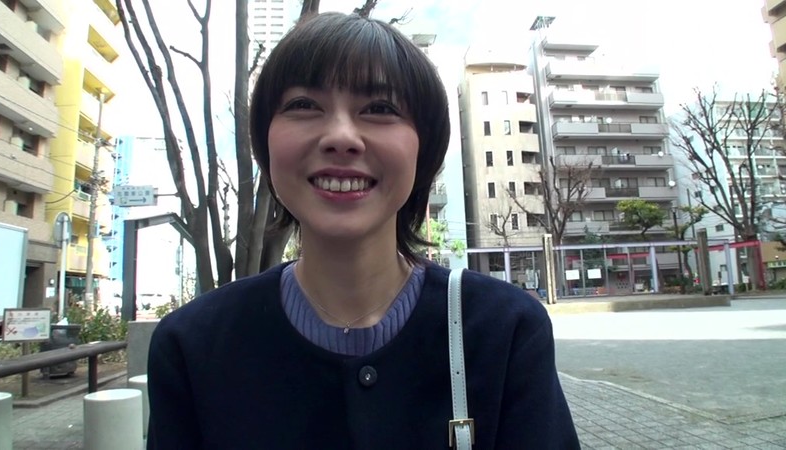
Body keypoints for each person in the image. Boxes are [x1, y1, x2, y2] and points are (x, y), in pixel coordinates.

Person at [146, 12, 579, 449]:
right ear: (266, 142)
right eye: (304, 105)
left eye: (380, 109)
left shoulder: (505, 331)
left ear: (423, 149)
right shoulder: (191, 346)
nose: (341, 136)